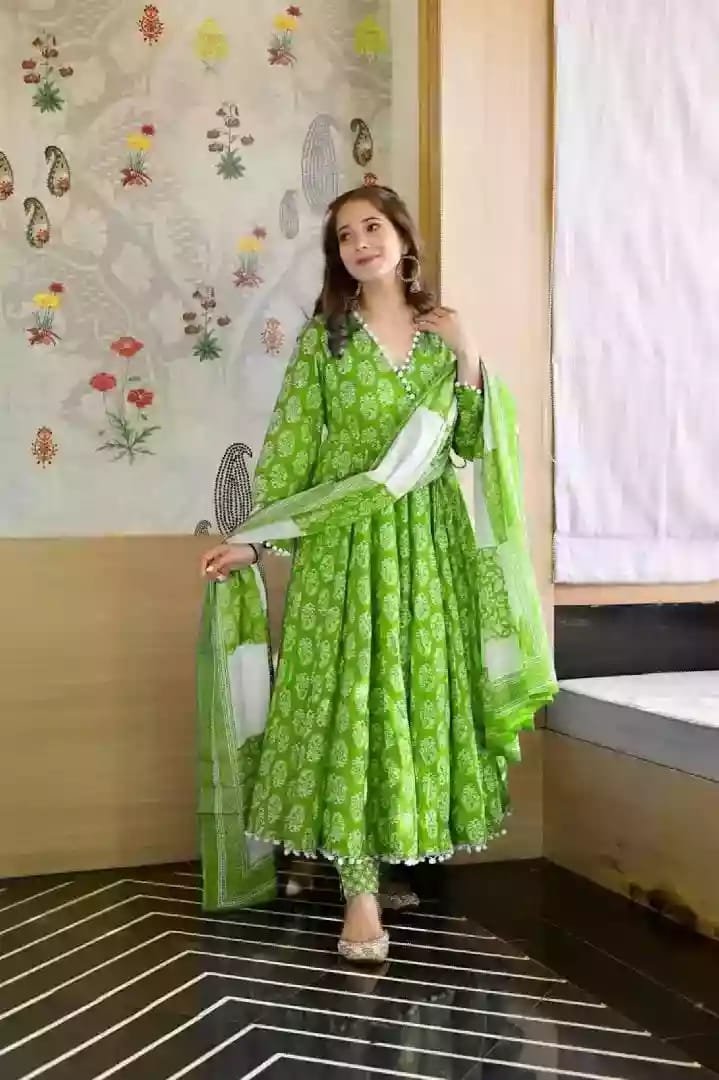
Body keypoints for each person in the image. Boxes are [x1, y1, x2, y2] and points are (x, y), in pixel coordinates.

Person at [200, 185, 556, 964]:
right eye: (344, 236)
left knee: (408, 697)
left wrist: (468, 356)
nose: (359, 243)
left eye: (371, 227)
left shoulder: (439, 336)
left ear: (401, 238)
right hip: (342, 548)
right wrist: (255, 542)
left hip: (427, 547)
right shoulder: (324, 342)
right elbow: (291, 451)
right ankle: (357, 891)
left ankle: (381, 853)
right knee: (344, 702)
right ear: (336, 255)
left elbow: (468, 445)